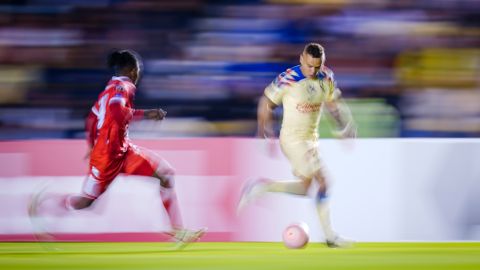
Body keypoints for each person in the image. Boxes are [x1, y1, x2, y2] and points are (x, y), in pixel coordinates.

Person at [30, 49, 205, 248]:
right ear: (132, 70)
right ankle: (45, 204)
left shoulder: (109, 88)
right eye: (138, 70)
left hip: (120, 150)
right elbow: (116, 112)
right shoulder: (124, 86)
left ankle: (177, 231)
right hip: (108, 157)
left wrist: (91, 144)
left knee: (165, 174)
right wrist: (148, 114)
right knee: (86, 203)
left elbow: (92, 117)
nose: (138, 74)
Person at [238, 43, 356, 248]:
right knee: (325, 181)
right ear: (301, 58)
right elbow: (265, 102)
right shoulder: (288, 79)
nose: (313, 71)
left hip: (312, 140)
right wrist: (263, 131)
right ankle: (330, 237)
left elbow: (332, 104)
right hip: (292, 139)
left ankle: (262, 187)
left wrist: (343, 126)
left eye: (317, 66)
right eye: (309, 65)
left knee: (305, 188)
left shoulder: (326, 77)